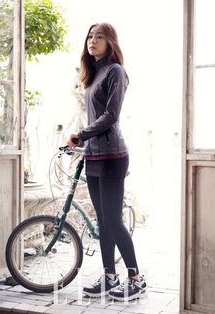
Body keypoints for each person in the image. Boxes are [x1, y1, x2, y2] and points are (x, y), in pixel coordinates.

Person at [67, 22, 147, 302]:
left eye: (99, 36)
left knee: (113, 220)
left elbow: (111, 115)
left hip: (113, 155)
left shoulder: (115, 71)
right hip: (94, 155)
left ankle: (136, 278)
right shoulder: (94, 74)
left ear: (110, 42)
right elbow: (91, 117)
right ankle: (110, 276)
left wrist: (82, 135)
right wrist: (82, 142)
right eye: (90, 36)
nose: (92, 40)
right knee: (104, 221)